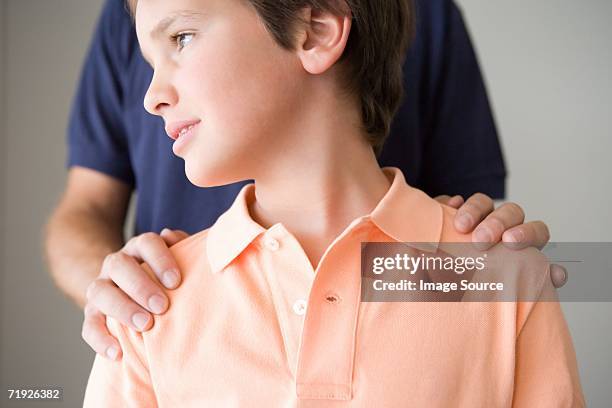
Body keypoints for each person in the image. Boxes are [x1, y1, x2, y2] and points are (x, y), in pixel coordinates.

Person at [81, 0, 584, 406]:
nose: (151, 97)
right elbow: (81, 211)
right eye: (149, 63)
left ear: (316, 31)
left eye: (181, 40)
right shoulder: (146, 312)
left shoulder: (504, 281)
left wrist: (506, 271)